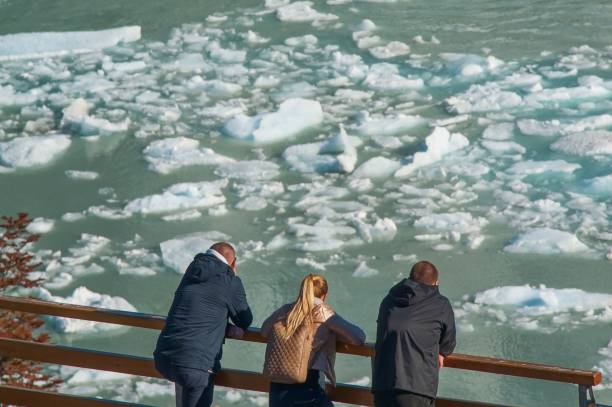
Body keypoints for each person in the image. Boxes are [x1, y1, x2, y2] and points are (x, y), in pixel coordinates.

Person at [154, 242, 252, 407]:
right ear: (233, 263)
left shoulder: (192, 271)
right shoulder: (229, 280)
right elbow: (245, 319)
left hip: (164, 358)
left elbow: (195, 310)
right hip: (195, 366)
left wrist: (223, 326)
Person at [261, 274, 366, 407]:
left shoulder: (286, 309)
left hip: (277, 390)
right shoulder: (323, 312)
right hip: (307, 389)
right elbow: (359, 338)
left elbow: (264, 331)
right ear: (324, 295)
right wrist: (333, 333)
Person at [372, 261, 456, 407]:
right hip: (417, 386)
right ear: (435, 283)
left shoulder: (388, 300)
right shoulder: (440, 304)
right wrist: (442, 353)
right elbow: (448, 341)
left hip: (383, 384)